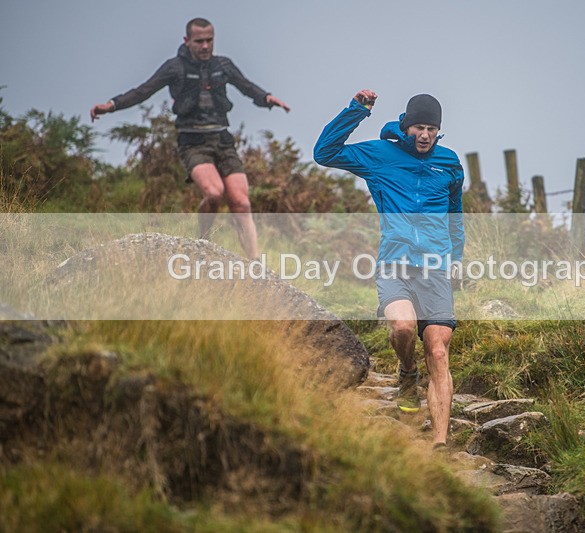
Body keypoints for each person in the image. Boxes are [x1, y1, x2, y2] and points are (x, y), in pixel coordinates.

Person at [314, 89, 464, 449]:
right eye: (418, 128)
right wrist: (356, 111)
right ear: (405, 126)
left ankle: (441, 443)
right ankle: (407, 371)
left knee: (439, 351)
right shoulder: (380, 155)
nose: (425, 135)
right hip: (394, 264)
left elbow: (455, 216)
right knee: (402, 328)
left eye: (431, 129)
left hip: (436, 270)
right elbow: (325, 153)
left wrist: (454, 259)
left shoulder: (449, 163)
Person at [90, 17, 290, 259]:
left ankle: (255, 262)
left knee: (241, 202)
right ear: (187, 41)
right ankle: (202, 245)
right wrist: (111, 105)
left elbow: (246, 86)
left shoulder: (223, 65)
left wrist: (267, 98)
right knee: (214, 193)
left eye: (209, 41)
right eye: (199, 41)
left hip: (222, 139)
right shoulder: (174, 67)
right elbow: (143, 90)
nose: (205, 46)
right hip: (193, 142)